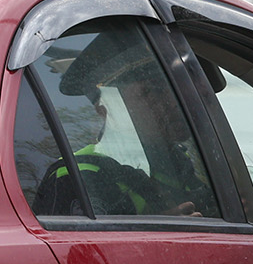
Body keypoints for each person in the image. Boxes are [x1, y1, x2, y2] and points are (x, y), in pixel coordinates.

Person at [34, 28, 220, 218]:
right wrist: (159, 232)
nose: (174, 101)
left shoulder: (183, 167)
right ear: (106, 110)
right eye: (151, 93)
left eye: (171, 90)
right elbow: (80, 247)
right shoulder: (77, 176)